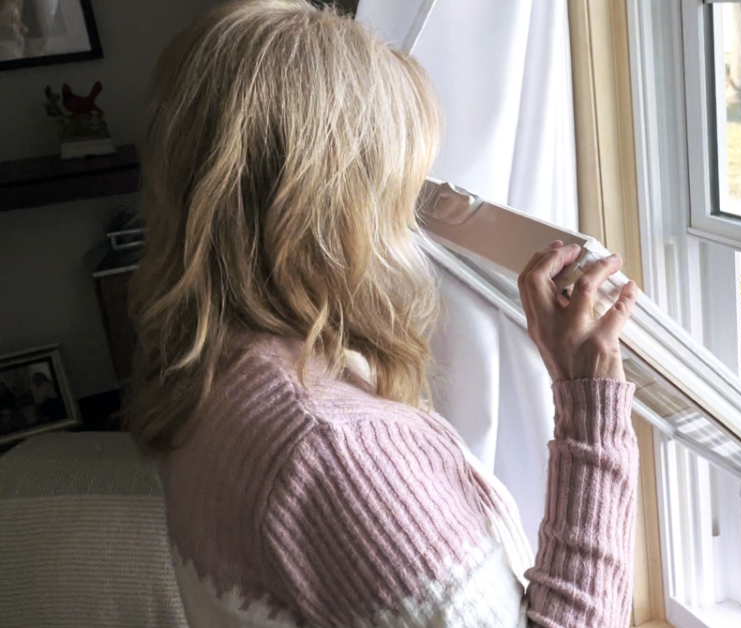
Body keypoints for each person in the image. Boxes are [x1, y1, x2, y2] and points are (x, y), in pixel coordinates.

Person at [125, 2, 641, 627]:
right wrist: (590, 405)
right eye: (399, 193)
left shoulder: (211, 369)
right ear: (334, 211)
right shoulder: (338, 449)